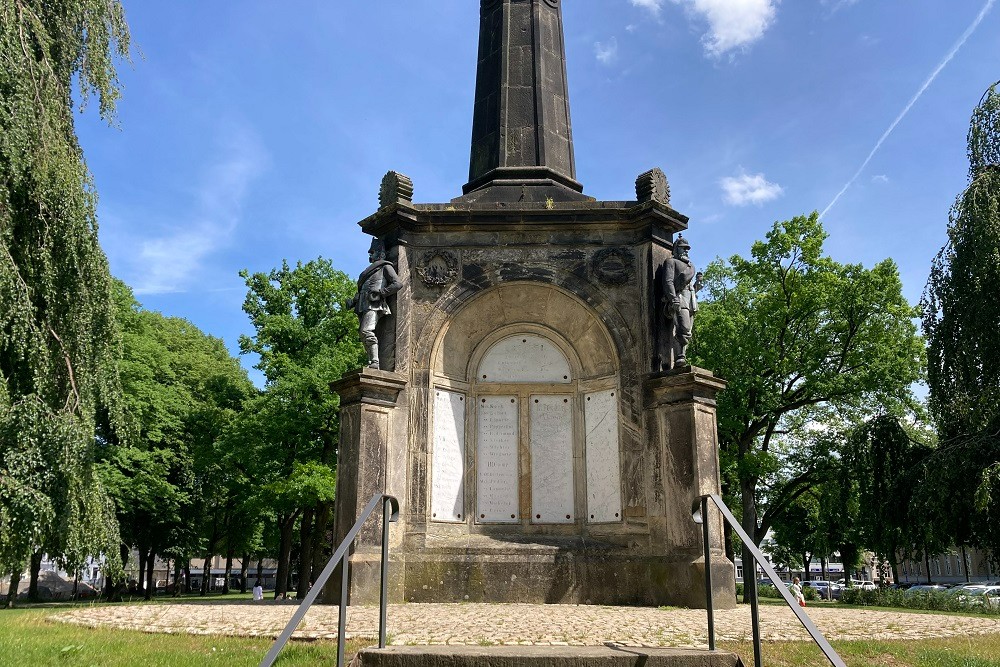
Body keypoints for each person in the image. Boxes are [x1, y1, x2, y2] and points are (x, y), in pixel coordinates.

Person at [348, 238, 403, 370]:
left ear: (380, 253)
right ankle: (371, 360)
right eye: (370, 253)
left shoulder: (385, 266)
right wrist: (353, 301)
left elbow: (398, 283)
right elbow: (363, 289)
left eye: (372, 252)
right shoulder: (369, 271)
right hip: (363, 304)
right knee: (363, 334)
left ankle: (375, 362)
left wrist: (382, 292)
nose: (370, 255)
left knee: (366, 331)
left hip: (374, 304)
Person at [661, 236, 701, 368]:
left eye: (687, 249)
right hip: (680, 298)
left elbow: (687, 286)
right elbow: (668, 281)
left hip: (691, 299)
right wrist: (673, 298)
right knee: (683, 328)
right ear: (676, 249)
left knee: (688, 329)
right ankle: (680, 356)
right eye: (683, 248)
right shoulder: (671, 262)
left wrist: (696, 287)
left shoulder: (691, 265)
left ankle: (682, 354)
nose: (686, 251)